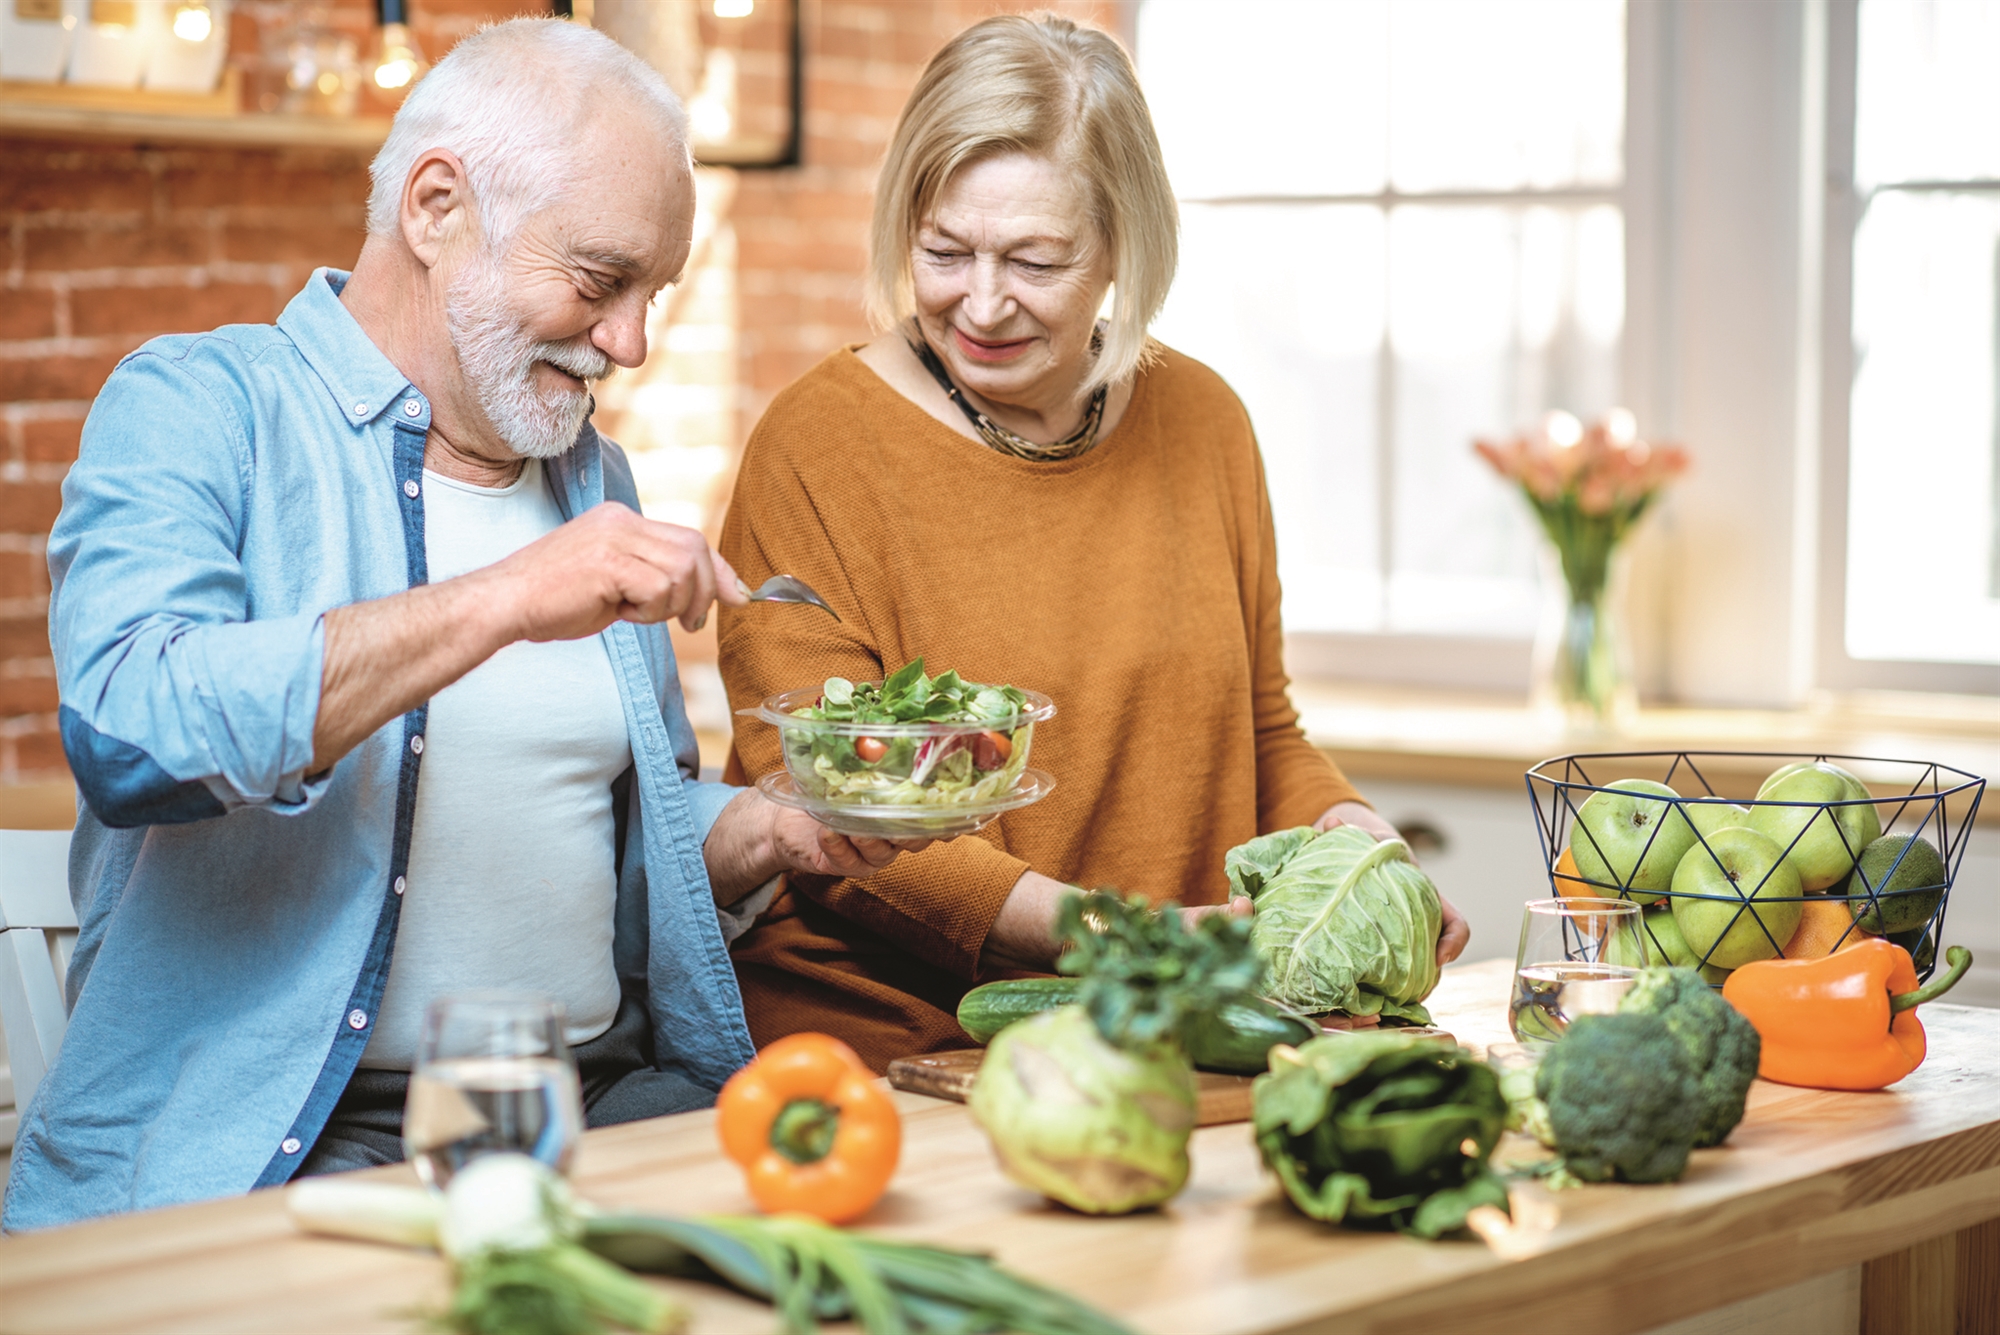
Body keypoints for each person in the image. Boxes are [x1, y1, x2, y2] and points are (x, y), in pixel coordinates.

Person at [4, 19, 912, 1232]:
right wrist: (505, 598)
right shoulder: (201, 406)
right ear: (435, 208)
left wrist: (770, 829)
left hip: (599, 1106)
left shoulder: (592, 480)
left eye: (651, 295)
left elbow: (595, 854)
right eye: (598, 281)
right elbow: (132, 735)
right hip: (294, 1145)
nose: (630, 343)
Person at [715, 14, 1470, 1073]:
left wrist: (1361, 851)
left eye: (1035, 260)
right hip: (901, 1048)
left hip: (1168, 1029)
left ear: (1122, 245)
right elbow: (823, 809)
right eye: (943, 251)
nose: (981, 303)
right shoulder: (817, 444)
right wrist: (1122, 936)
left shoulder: (1205, 421)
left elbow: (1260, 731)